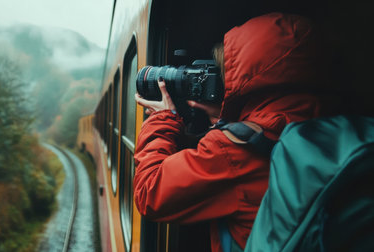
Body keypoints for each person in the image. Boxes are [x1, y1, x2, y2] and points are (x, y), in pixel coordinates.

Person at [133, 12, 336, 252]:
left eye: (223, 73)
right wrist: (226, 120)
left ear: (245, 79)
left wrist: (161, 119)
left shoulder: (233, 149)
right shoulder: (326, 124)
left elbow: (150, 192)